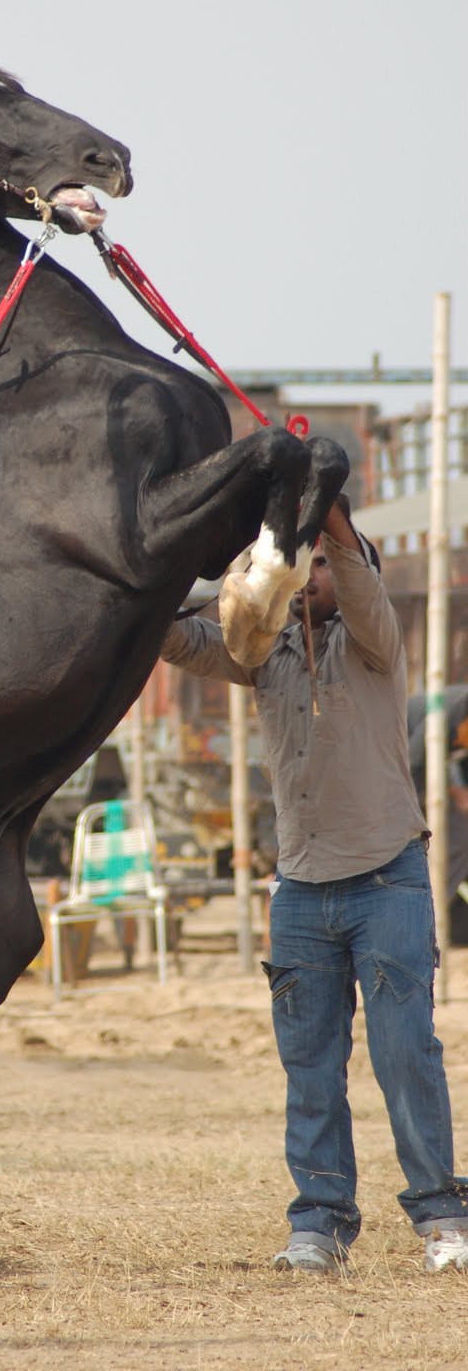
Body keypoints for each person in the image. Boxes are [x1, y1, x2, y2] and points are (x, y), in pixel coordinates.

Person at [161, 496, 468, 1274]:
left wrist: (323, 508)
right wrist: (195, 574)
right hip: (300, 889)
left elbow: (358, 578)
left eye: (322, 564)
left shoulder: (375, 641)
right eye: (300, 568)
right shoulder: (262, 649)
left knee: (407, 1056)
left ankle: (442, 1220)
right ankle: (320, 1225)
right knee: (310, 1069)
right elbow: (175, 636)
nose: (311, 578)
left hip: (388, 879)